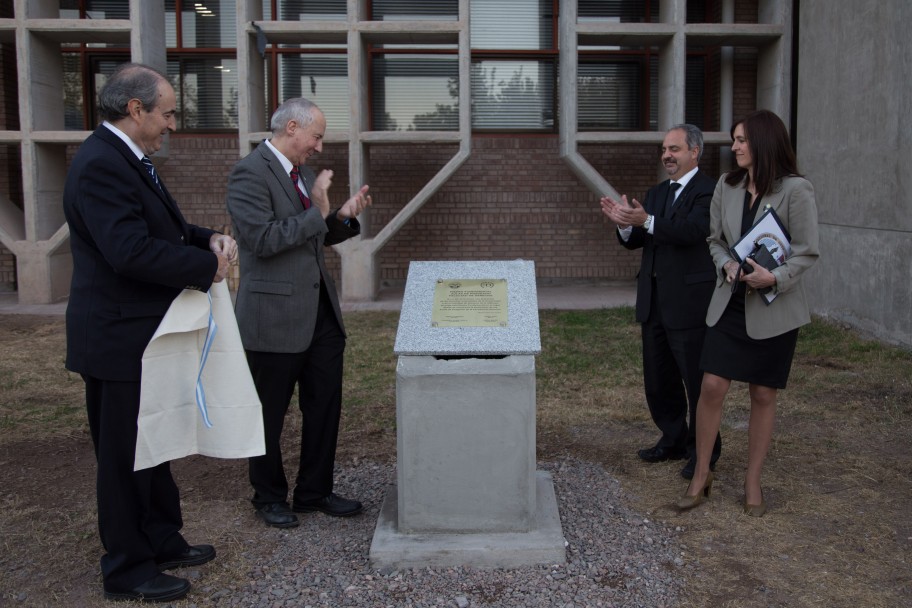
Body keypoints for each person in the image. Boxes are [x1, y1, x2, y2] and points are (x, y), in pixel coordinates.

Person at [64, 63, 237, 602]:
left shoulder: (130, 159)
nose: (172, 125)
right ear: (135, 110)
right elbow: (128, 251)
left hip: (146, 338)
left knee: (155, 441)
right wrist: (204, 269)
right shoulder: (100, 165)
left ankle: (162, 538)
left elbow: (168, 229)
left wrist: (206, 239)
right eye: (167, 114)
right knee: (122, 458)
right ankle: (128, 568)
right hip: (118, 342)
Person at [226, 98, 371, 529]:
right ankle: (268, 496)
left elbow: (312, 235)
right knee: (268, 413)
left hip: (320, 314)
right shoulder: (248, 174)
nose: (320, 147)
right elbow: (262, 240)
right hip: (272, 315)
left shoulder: (303, 175)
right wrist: (318, 212)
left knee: (324, 404)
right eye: (317, 136)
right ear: (292, 127)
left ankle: (314, 491)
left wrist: (340, 218)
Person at [678, 109, 819, 517]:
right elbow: (714, 239)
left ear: (762, 142)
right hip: (730, 303)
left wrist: (772, 279)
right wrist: (724, 263)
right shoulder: (727, 184)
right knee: (711, 386)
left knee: (762, 393)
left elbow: (808, 251)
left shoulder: (797, 190)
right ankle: (701, 474)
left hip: (773, 307)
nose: (735, 147)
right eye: (735, 140)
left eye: (741, 140)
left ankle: (753, 481)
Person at [600, 124, 722, 479]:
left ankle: (704, 452)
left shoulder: (709, 191)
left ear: (694, 152)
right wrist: (625, 224)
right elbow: (640, 237)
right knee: (659, 379)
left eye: (675, 149)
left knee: (696, 381)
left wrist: (647, 221)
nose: (667, 155)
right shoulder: (656, 193)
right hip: (653, 303)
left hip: (689, 304)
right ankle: (672, 438)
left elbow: (691, 232)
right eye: (664, 149)